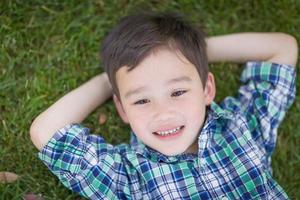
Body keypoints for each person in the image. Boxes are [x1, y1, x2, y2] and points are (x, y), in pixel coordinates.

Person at [30, 12, 298, 199]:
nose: (163, 112)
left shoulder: (241, 125)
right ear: (122, 109)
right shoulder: (129, 176)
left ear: (206, 89)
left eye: (178, 91)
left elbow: (282, 48)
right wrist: (108, 81)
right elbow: (46, 131)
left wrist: (192, 53)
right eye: (141, 99)